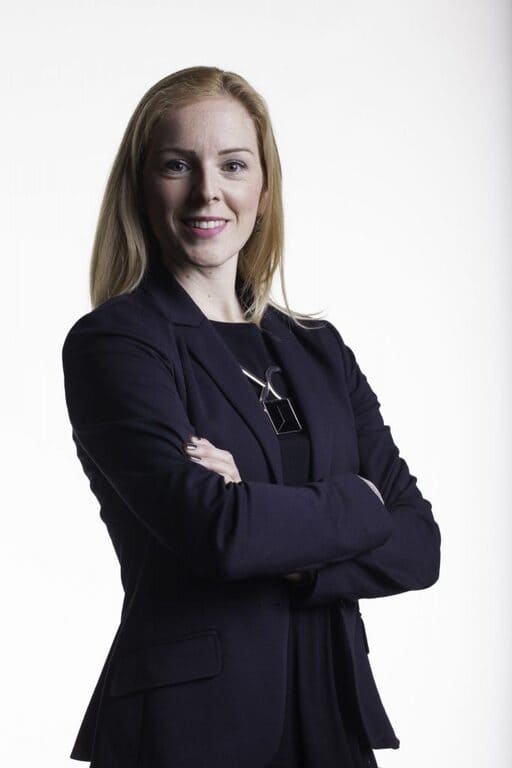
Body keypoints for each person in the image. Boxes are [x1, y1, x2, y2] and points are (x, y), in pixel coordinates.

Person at [61, 65, 441, 768]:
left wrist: (269, 520)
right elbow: (219, 533)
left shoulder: (320, 351)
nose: (208, 191)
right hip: (189, 731)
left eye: (233, 165)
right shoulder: (116, 344)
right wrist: (358, 500)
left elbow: (419, 544)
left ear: (263, 192)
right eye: (178, 165)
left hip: (332, 718)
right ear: (142, 187)